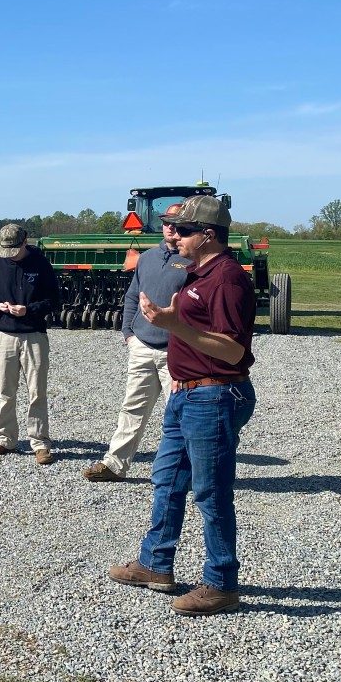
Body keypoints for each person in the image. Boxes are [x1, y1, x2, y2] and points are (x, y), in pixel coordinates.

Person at [108, 194, 257, 616]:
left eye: (185, 230)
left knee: (210, 492)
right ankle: (155, 564)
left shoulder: (226, 278)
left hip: (214, 394)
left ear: (208, 235)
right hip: (187, 391)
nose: (176, 235)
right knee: (168, 478)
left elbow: (232, 351)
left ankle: (221, 582)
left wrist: (173, 325)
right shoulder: (199, 272)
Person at [84, 202, 190, 481]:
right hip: (142, 346)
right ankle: (115, 465)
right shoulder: (147, 258)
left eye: (177, 223)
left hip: (177, 352)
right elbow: (132, 296)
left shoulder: (194, 262)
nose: (171, 227)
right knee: (133, 407)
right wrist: (129, 334)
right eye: (167, 222)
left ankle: (185, 473)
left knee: (180, 415)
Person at [0, 224, 60, 463]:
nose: (10, 255)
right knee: (5, 391)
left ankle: (40, 443)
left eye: (13, 249)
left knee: (37, 392)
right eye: (5, 250)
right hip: (4, 335)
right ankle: (4, 439)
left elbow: (54, 300)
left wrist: (30, 310)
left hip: (34, 335)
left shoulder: (41, 264)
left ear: (24, 242)